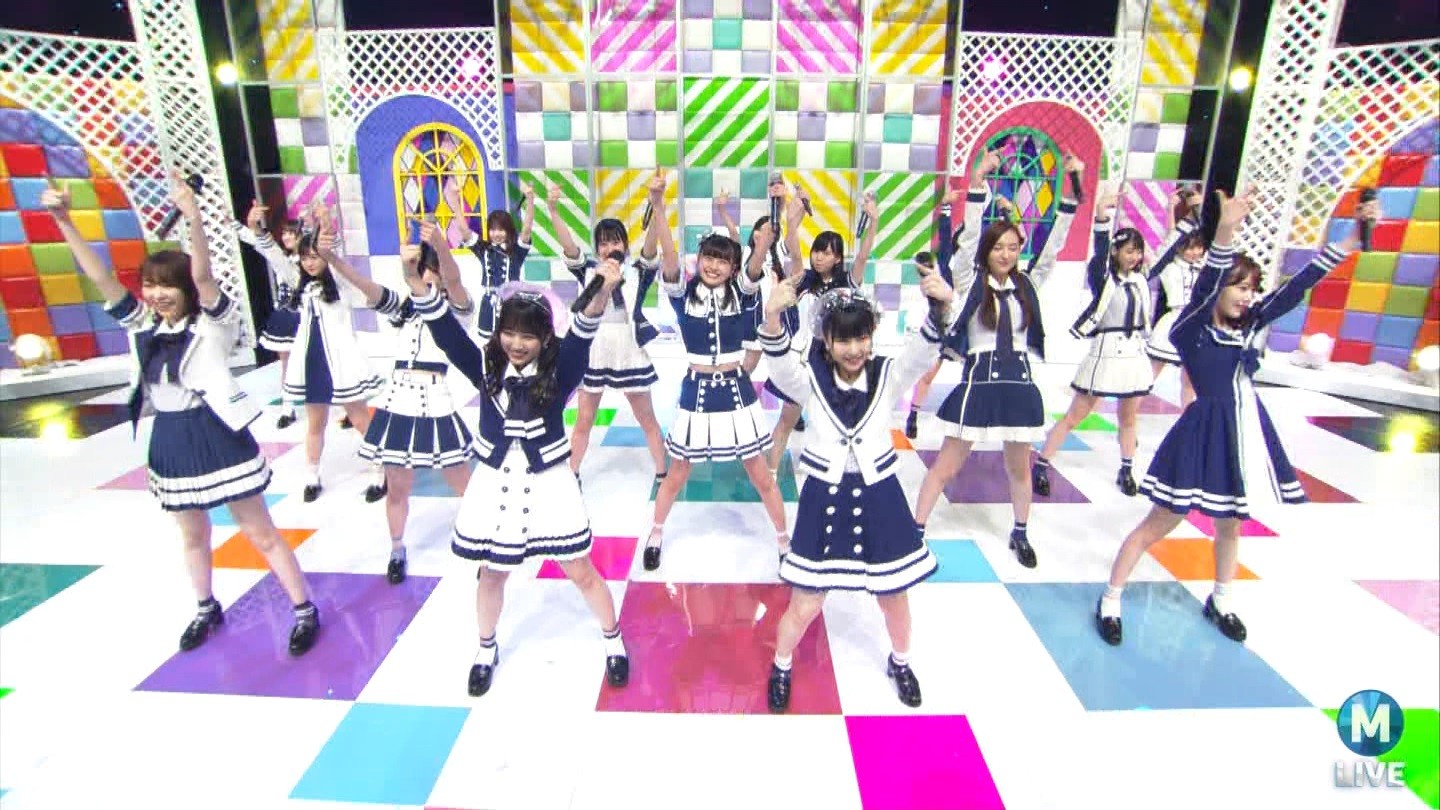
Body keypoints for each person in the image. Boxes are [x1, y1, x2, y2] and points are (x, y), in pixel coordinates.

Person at [42, 174, 320, 655]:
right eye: (150, 285)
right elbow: (102, 279)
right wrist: (64, 221)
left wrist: (193, 217)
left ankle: (303, 609)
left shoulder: (213, 323)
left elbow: (205, 277)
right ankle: (205, 605)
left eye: (167, 285)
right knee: (192, 533)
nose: (156, 293)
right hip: (170, 438)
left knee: (259, 531)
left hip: (216, 433)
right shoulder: (142, 325)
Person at [1094, 190, 1370, 646]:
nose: (1247, 296)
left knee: (1230, 523)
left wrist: (1350, 242)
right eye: (1240, 287)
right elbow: (1205, 287)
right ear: (1220, 287)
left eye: (1251, 288)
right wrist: (1223, 232)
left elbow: (1295, 288)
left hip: (1243, 433)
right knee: (1160, 522)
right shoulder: (1191, 329)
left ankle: (1221, 599)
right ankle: (1110, 599)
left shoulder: (1251, 325)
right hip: (1203, 431)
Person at [403, 247, 632, 697]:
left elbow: (583, 331)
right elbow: (448, 335)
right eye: (508, 332)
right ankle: (485, 649)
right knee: (491, 573)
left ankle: (614, 640)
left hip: (549, 481)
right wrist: (416, 284)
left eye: (528, 335)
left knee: (580, 569)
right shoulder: (485, 367)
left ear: (545, 337)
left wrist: (604, 288)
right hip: (496, 482)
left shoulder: (562, 370)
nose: (517, 343)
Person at [756, 268, 953, 712]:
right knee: (806, 601)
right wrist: (772, 315)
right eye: (843, 339)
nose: (854, 349)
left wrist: (941, 306)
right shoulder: (808, 378)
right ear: (826, 341)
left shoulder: (889, 374)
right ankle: (782, 664)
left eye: (861, 337)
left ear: (872, 336)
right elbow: (780, 366)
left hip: (880, 496)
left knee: (893, 597)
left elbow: (922, 352)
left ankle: (901, 661)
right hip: (824, 497)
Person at [912, 149, 1081, 569]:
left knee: (1018, 469)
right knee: (946, 465)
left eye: (1012, 247)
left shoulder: (1028, 284)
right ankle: (915, 530)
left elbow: (1053, 246)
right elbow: (967, 239)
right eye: (998, 247)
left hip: (1019, 386)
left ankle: (1020, 531)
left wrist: (1072, 191)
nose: (1005, 254)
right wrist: (977, 184)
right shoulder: (971, 283)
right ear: (987, 251)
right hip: (979, 384)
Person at [644, 173, 788, 571]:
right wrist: (658, 206)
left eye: (723, 260)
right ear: (700, 259)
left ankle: (783, 541)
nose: (714, 265)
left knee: (760, 473)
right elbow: (668, 255)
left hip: (737, 392)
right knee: (677, 472)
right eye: (709, 257)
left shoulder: (742, 293)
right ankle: (656, 532)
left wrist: (767, 231)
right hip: (696, 393)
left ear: (731, 266)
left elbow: (756, 263)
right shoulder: (682, 294)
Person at [325, 220, 476, 584]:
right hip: (398, 400)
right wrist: (331, 257)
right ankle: (396, 548)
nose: (427, 276)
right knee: (397, 483)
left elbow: (455, 280)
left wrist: (440, 245)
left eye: (430, 270)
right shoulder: (404, 311)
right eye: (422, 270)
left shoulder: (457, 309)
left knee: (461, 480)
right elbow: (365, 286)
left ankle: (482, 542)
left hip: (435, 399)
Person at [1032, 187, 1186, 498]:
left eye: (1137, 251)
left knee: (1129, 417)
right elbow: (1101, 252)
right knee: (1076, 415)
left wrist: (1188, 217)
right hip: (1106, 352)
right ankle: (1042, 463)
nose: (1134, 257)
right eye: (1128, 251)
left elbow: (1168, 251)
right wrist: (1102, 215)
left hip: (1134, 353)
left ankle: (1127, 468)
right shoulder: (1104, 278)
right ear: (1117, 252)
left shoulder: (1140, 278)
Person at [550, 183, 668, 484]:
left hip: (630, 350)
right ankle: (572, 474)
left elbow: (651, 245)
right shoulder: (588, 272)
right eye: (603, 243)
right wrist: (553, 209)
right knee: (583, 421)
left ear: (625, 246)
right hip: (595, 349)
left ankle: (662, 472)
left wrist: (657, 205)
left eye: (615, 241)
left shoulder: (638, 271)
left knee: (647, 419)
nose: (609, 248)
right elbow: (568, 246)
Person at [766, 186, 879, 472]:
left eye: (827, 253)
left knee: (837, 423)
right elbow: (793, 247)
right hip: (802, 358)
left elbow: (863, 257)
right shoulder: (803, 279)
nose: (819, 257)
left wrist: (873, 221)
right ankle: (771, 472)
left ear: (838, 258)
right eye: (817, 251)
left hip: (834, 361)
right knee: (786, 420)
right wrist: (793, 216)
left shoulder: (847, 283)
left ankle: (838, 471)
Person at [285, 208, 385, 503]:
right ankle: (311, 476)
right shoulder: (301, 286)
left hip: (341, 364)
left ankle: (379, 471)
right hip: (312, 363)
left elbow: (334, 253)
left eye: (315, 257)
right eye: (305, 258)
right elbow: (276, 258)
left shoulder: (339, 285)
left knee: (359, 418)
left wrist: (325, 223)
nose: (309, 263)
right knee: (315, 423)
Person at [232, 201, 303, 428]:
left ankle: (346, 404)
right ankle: (288, 408)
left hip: (308, 315)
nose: (287, 237)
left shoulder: (308, 259)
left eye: (292, 233)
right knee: (287, 363)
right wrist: (237, 225)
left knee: (323, 362)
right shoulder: (281, 256)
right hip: (286, 316)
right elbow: (260, 244)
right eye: (285, 233)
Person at [1146, 186, 1208, 408]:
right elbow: (1171, 239)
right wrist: (1171, 208)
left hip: (1193, 323)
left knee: (1189, 379)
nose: (1195, 252)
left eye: (1198, 248)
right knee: (1151, 373)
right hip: (1172, 321)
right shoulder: (1170, 266)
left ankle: (1186, 416)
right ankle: (1128, 409)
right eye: (1190, 248)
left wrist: (1198, 206)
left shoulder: (1202, 266)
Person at [455, 180, 535, 342]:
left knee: (511, 341)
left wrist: (530, 200)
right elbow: (464, 230)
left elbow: (526, 230)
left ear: (508, 231)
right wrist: (455, 201)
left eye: (501, 229)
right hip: (488, 303)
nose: (496, 233)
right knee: (488, 343)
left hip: (511, 302)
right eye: (493, 229)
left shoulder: (516, 251)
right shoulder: (483, 249)